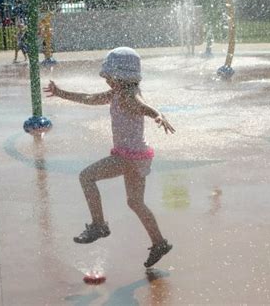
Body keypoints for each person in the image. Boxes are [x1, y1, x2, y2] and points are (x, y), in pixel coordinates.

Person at [44, 47, 176, 268]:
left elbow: (143, 107)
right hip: (137, 155)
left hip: (128, 157)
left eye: (109, 76)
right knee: (135, 202)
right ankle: (159, 242)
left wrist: (158, 115)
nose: (106, 80)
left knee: (86, 177)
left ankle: (99, 225)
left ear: (122, 75)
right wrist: (61, 93)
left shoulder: (127, 94)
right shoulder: (117, 93)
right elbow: (89, 98)